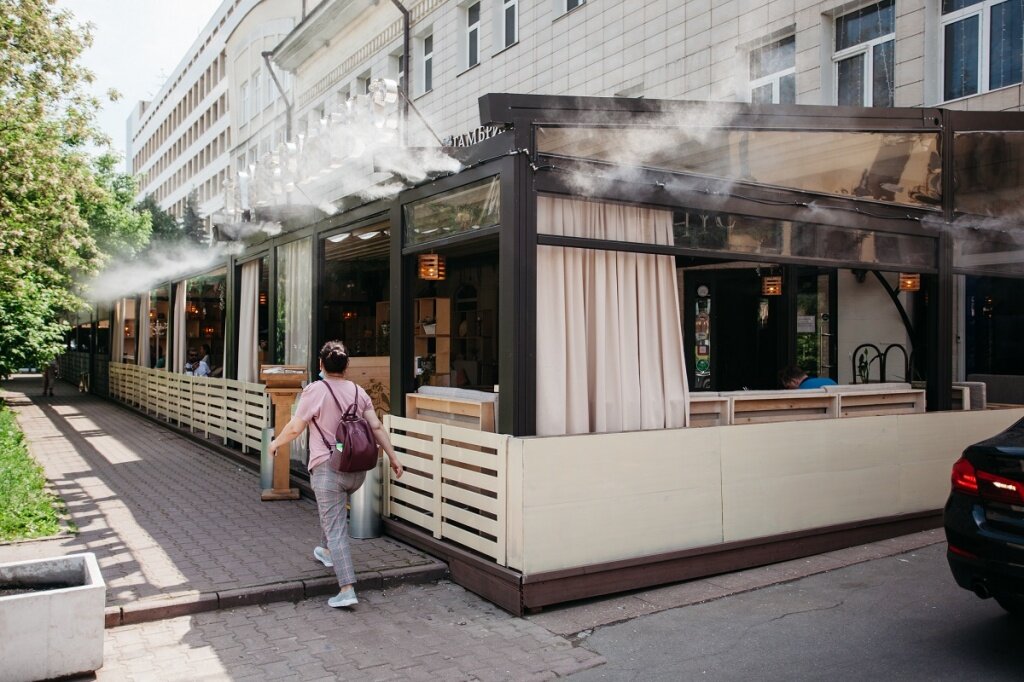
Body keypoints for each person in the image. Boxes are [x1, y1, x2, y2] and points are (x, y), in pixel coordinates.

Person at [268, 340, 403, 609]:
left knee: (336, 527)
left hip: (329, 470)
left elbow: (296, 427)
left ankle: (347, 588)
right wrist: (394, 458)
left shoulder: (314, 391)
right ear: (347, 366)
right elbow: (376, 426)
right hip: (357, 472)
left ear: (321, 365)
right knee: (332, 515)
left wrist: (274, 443)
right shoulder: (358, 391)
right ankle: (326, 551)